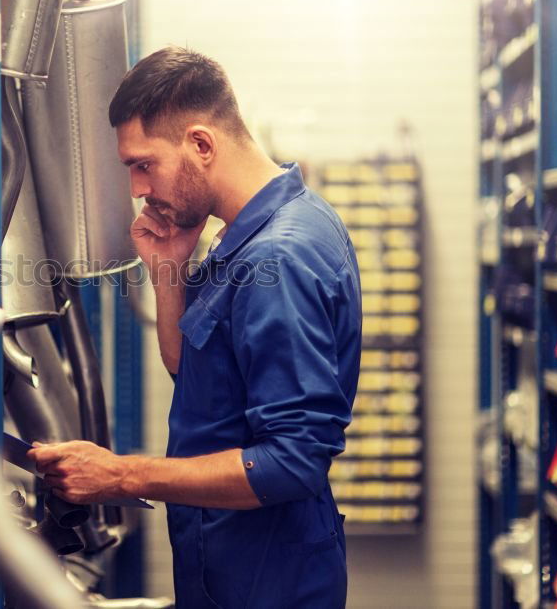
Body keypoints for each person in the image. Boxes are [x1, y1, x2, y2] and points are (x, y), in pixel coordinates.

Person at [27, 46, 360, 608]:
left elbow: (292, 461)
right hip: (230, 565)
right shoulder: (245, 235)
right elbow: (194, 369)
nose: (136, 188)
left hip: (268, 580)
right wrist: (168, 273)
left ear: (201, 144)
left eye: (142, 164)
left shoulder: (279, 258)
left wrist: (122, 476)